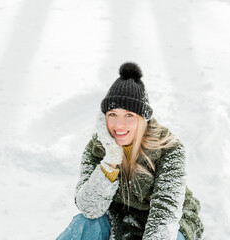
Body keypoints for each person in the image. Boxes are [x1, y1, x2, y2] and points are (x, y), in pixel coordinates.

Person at [57, 62, 204, 240]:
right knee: (84, 223)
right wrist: (109, 162)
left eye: (129, 115)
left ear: (142, 119)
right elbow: (89, 208)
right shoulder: (96, 149)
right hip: (120, 219)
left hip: (170, 224)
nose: (119, 124)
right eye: (113, 114)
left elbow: (165, 214)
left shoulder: (169, 149)